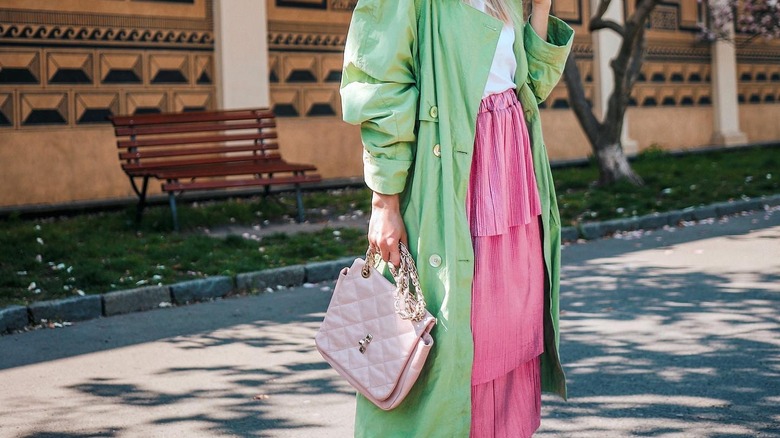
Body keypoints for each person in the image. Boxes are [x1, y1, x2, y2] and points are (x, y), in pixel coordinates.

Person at [340, 0, 573, 436]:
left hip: (511, 176)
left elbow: (530, 87)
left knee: (509, 328)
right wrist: (384, 201)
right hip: (452, 177)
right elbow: (380, 84)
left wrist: (540, 9)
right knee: (459, 337)